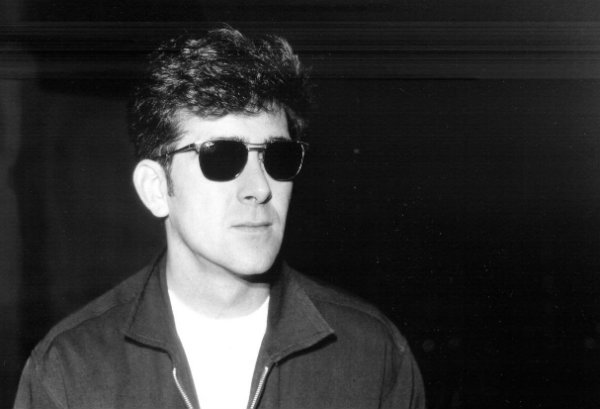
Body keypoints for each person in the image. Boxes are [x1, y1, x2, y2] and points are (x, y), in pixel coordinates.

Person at [14, 27, 425, 409]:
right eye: (222, 157)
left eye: (278, 158)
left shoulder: (375, 355)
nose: (260, 188)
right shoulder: (69, 370)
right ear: (156, 188)